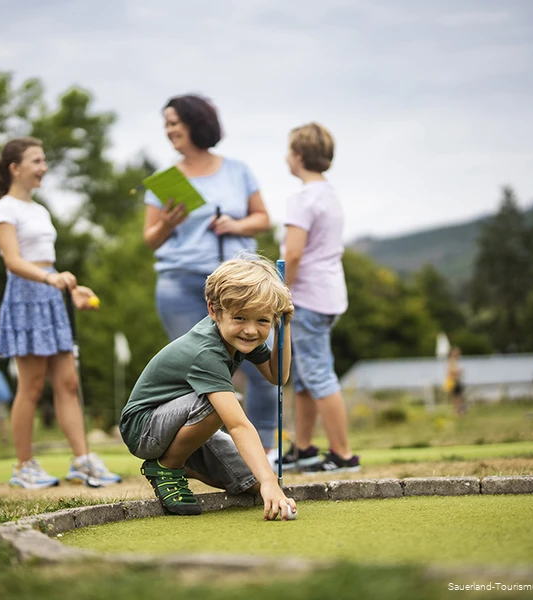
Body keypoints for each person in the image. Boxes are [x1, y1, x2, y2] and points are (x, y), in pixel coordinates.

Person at [141, 94, 279, 462]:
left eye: (174, 122)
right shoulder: (165, 180)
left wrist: (236, 224)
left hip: (238, 285)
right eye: (166, 124)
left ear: (195, 122)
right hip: (179, 283)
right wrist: (167, 224)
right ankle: (213, 456)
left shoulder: (237, 170)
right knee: (197, 371)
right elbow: (150, 239)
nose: (169, 130)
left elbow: (263, 218)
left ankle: (267, 448)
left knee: (264, 362)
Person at [119, 256, 297, 519]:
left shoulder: (238, 336)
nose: (250, 330)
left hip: (184, 420)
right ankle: (168, 466)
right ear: (214, 311)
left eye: (263, 321)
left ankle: (186, 462)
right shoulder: (207, 352)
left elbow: (277, 376)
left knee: (252, 482)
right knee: (222, 403)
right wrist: (270, 480)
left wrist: (285, 326)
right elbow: (237, 425)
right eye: (240, 318)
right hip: (144, 428)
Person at [0, 137, 120, 489]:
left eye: (44, 160)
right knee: (31, 386)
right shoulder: (4, 209)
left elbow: (47, 262)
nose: (43, 167)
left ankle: (82, 462)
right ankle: (23, 466)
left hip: (51, 295)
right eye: (36, 161)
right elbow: (13, 262)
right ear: (15, 168)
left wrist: (72, 291)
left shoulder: (40, 210)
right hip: (26, 296)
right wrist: (50, 279)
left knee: (68, 382)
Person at [278, 123, 360, 474]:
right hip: (328, 295)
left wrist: (280, 291)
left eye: (288, 150)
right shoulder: (328, 194)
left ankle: (343, 455)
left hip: (307, 298)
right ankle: (304, 449)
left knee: (318, 374)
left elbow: (294, 254)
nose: (286, 157)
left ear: (298, 155)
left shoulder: (302, 199)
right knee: (304, 376)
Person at [446, 346, 466, 416]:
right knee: (457, 397)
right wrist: (459, 371)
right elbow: (451, 371)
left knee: (457, 397)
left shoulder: (453, 361)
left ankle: (458, 411)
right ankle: (458, 412)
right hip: (454, 381)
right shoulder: (452, 361)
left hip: (455, 381)